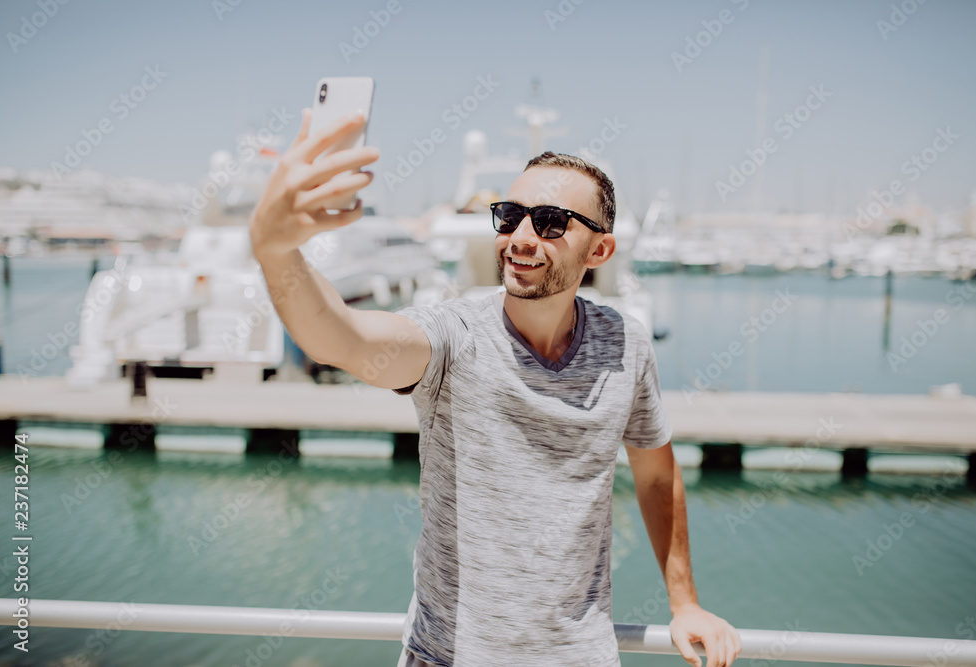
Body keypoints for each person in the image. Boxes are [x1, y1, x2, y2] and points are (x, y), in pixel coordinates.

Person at [249, 108, 742, 667]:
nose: (522, 239)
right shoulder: (455, 338)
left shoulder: (625, 345)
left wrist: (686, 604)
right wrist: (275, 250)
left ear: (599, 251)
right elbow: (345, 340)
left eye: (551, 222)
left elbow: (657, 475)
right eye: (510, 217)